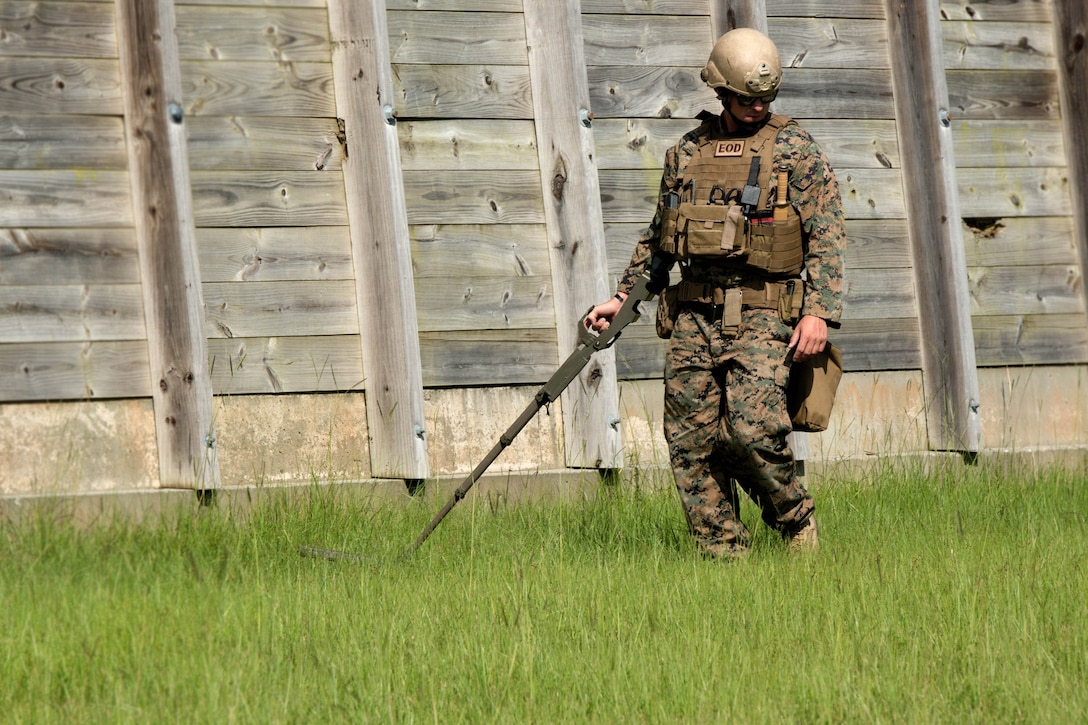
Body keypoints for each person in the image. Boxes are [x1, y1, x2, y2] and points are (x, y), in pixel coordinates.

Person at [586, 27, 845, 558]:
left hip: (766, 314)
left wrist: (818, 313)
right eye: (747, 99)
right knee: (688, 444)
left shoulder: (795, 149)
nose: (756, 108)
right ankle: (725, 556)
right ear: (720, 91)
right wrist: (624, 297)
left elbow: (827, 235)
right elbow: (661, 238)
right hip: (693, 317)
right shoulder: (686, 153)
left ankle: (795, 523)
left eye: (765, 100)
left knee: (752, 434)